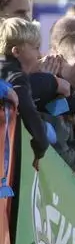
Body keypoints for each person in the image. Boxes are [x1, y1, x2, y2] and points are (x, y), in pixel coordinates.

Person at [0, 17, 52, 170]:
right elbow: (29, 113)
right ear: (16, 51)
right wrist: (41, 145)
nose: (40, 54)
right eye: (35, 48)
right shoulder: (16, 77)